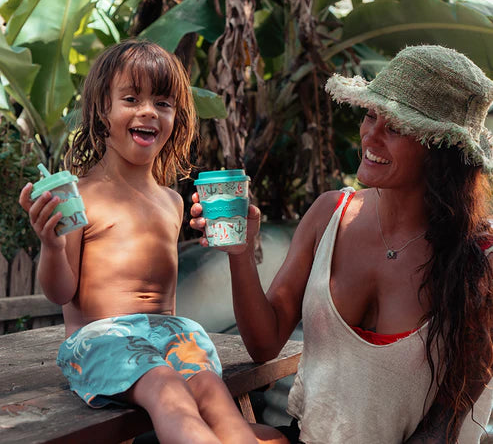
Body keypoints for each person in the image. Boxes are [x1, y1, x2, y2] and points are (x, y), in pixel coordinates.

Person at [190, 45, 493, 444]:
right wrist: (241, 254)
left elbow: (448, 421)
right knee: (186, 406)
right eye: (370, 115)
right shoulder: (332, 213)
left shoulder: (477, 258)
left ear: (442, 149)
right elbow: (264, 344)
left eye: (396, 127)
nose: (371, 135)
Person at [18, 39, 259, 444]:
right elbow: (61, 292)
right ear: (102, 111)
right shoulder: (80, 196)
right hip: (101, 339)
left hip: (171, 335)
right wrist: (52, 245)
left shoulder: (171, 201)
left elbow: (168, 301)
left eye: (163, 104)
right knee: (165, 387)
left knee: (213, 393)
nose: (148, 110)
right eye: (131, 98)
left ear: (175, 118)